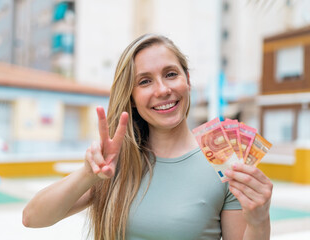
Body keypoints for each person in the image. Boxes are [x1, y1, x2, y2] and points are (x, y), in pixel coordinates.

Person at [22, 34, 273, 240]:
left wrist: (260, 222)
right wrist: (89, 173)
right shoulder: (116, 163)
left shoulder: (227, 165)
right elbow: (32, 218)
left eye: (171, 74)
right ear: (131, 97)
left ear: (188, 80)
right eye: (144, 81)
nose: (163, 90)